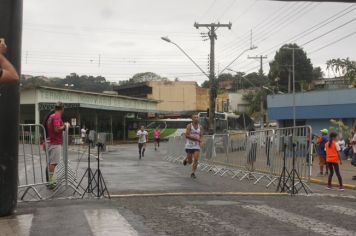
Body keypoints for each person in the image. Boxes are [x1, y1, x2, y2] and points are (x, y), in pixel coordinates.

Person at [46, 102, 66, 189]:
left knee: (51, 163)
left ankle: (51, 181)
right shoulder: (57, 116)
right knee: (53, 163)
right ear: (62, 108)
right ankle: (51, 182)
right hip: (55, 142)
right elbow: (56, 129)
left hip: (51, 141)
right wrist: (65, 126)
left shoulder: (51, 116)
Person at [183, 114, 203, 179]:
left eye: (197, 117)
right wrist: (197, 139)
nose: (196, 118)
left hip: (196, 146)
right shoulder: (189, 126)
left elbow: (201, 136)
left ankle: (193, 173)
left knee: (196, 159)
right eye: (195, 117)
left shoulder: (200, 127)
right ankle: (186, 159)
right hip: (189, 145)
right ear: (192, 119)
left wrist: (201, 141)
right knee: (190, 162)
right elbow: (187, 135)